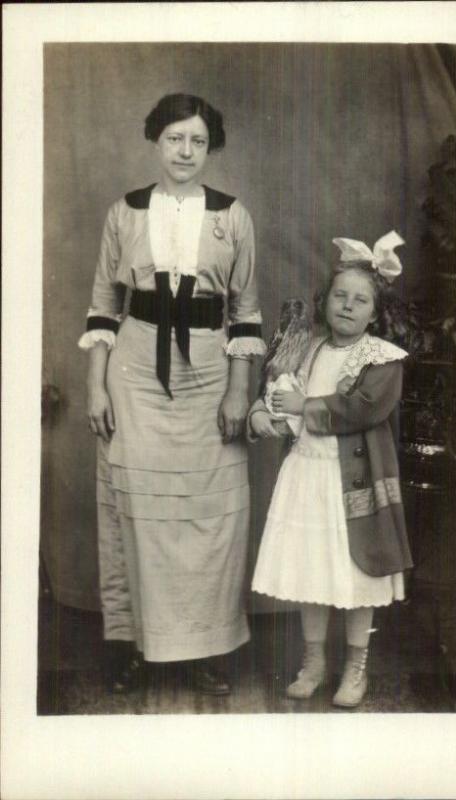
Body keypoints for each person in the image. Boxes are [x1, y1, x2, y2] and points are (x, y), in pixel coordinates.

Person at [79, 93, 266, 695]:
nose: (185, 152)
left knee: (211, 517)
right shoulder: (125, 213)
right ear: (156, 142)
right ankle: (139, 645)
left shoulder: (233, 216)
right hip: (133, 374)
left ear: (210, 149)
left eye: (198, 142)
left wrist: (240, 391)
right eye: (174, 139)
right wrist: (96, 387)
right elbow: (103, 308)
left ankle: (206, 646)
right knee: (135, 513)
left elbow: (246, 313)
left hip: (210, 374)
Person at [248, 232, 413, 708]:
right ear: (326, 302)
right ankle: (315, 661)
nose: (348, 306)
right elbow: (287, 397)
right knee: (313, 572)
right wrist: (269, 413)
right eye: (340, 295)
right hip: (308, 475)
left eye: (360, 300)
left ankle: (356, 667)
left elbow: (362, 408)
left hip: (353, 482)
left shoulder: (382, 358)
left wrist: (306, 405)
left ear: (374, 313)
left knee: (358, 574)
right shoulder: (310, 350)